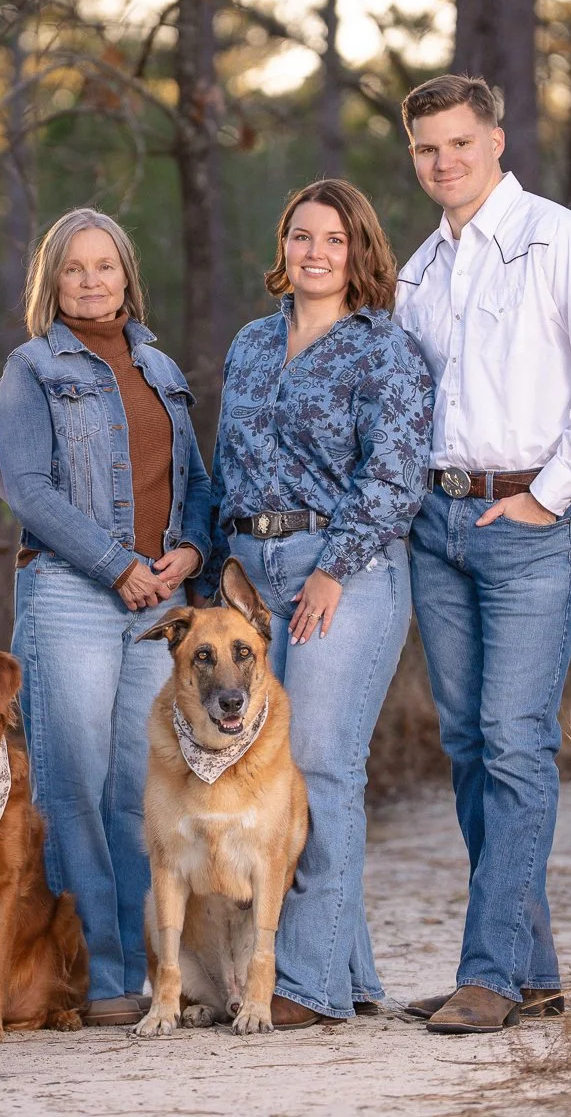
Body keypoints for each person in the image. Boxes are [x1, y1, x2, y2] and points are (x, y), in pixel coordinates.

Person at [393, 74, 571, 1034]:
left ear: (498, 140)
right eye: (427, 148)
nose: (445, 161)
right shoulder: (419, 269)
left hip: (529, 522)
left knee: (514, 743)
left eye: (461, 142)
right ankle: (529, 966)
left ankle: (490, 970)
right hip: (439, 523)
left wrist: (547, 498)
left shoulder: (561, 240)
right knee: (466, 748)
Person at [207, 179, 433, 1029]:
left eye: (333, 241)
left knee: (325, 765)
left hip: (350, 570)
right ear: (284, 247)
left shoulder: (384, 349)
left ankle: (306, 985)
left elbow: (397, 473)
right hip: (255, 573)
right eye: (301, 236)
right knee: (278, 770)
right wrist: (228, 556)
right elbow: (225, 459)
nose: (314, 252)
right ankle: (355, 974)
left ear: (358, 253)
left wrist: (335, 568)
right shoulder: (251, 345)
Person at [0, 209, 213, 1026]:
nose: (92, 281)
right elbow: (28, 487)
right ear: (51, 282)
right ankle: (96, 977)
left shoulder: (160, 366)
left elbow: (196, 480)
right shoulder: (30, 369)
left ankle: (152, 972)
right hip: (73, 598)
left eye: (106, 266)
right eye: (74, 269)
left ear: (128, 275)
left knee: (141, 791)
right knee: (73, 789)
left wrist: (188, 553)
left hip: (160, 605)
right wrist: (115, 563)